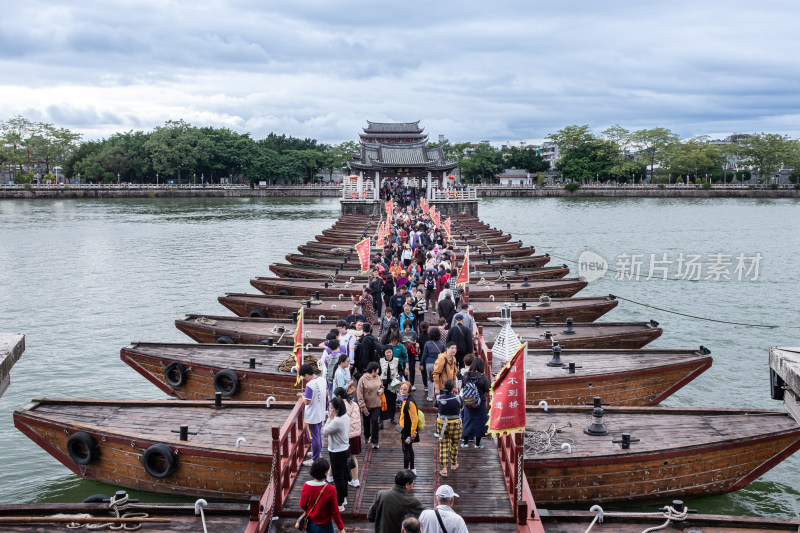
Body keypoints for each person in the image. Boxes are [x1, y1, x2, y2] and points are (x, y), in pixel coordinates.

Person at [299, 458, 345, 533]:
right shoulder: (330, 489)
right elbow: (335, 511)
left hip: (310, 522)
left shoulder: (306, 486)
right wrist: (341, 527)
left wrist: (311, 512)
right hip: (326, 526)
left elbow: (302, 504)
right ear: (325, 473)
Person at [322, 397, 351, 512]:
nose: (330, 409)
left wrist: (329, 419)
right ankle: (343, 497)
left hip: (337, 452)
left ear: (337, 409)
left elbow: (324, 432)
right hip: (345, 449)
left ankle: (339, 504)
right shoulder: (345, 417)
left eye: (332, 408)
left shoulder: (337, 421)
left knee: (338, 477)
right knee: (343, 475)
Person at [299, 364, 328, 465]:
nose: (304, 379)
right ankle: (317, 453)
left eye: (303, 377)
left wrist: (302, 396)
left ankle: (315, 458)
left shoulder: (309, 385)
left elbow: (307, 402)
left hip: (312, 416)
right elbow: (326, 393)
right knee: (318, 435)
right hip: (320, 413)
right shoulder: (322, 380)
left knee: (313, 437)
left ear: (306, 375)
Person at [333, 387, 362, 488]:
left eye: (335, 396)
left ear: (339, 396)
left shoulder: (341, 405)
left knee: (336, 456)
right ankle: (355, 480)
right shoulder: (354, 403)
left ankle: (331, 476)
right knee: (353, 457)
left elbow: (338, 421)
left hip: (346, 434)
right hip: (356, 433)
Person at [460, 357, 490, 449]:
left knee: (467, 420)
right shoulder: (482, 376)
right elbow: (488, 389)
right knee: (479, 422)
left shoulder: (466, 375)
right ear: (481, 366)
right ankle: (477, 444)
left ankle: (465, 443)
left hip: (468, 401)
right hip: (480, 402)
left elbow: (462, 386)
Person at [436, 379, 463, 478]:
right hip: (455, 424)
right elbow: (461, 407)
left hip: (442, 424)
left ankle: (444, 469)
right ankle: (453, 464)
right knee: (454, 444)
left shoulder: (439, 397)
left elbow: (436, 406)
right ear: (453, 388)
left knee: (443, 445)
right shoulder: (458, 398)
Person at [357, 361, 383, 449]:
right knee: (366, 421)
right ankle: (367, 436)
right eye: (377, 370)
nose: (378, 372)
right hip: (366, 405)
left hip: (377, 404)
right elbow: (359, 392)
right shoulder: (363, 379)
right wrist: (362, 405)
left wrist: (381, 390)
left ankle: (375, 441)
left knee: (375, 421)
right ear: (373, 370)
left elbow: (382, 386)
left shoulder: (378, 377)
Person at [397, 381, 420, 473]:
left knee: (405, 450)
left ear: (409, 391)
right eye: (401, 389)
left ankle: (405, 472)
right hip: (405, 428)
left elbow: (414, 418)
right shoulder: (405, 400)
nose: (402, 391)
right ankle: (412, 469)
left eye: (405, 389)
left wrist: (413, 432)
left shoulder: (409, 402)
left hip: (408, 430)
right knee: (409, 448)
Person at [422, 327, 446, 402]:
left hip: (429, 363)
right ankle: (439, 396)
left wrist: (421, 363)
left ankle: (430, 396)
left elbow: (424, 354)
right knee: (439, 379)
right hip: (439, 363)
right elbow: (444, 354)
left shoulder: (427, 343)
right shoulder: (442, 344)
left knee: (430, 380)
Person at [380, 345, 402, 426]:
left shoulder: (396, 360)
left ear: (392, 352)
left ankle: (392, 417)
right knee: (383, 401)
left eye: (390, 352)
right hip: (383, 384)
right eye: (387, 352)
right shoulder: (381, 361)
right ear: (384, 353)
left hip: (393, 384)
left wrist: (399, 375)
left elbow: (400, 371)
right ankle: (381, 419)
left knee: (392, 401)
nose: (388, 354)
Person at [399, 320, 418, 390]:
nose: (407, 328)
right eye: (406, 327)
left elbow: (416, 342)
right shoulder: (401, 333)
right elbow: (399, 342)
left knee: (412, 368)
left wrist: (411, 342)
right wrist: (403, 342)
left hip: (411, 352)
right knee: (404, 367)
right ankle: (406, 382)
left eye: (409, 327)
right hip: (404, 352)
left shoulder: (414, 333)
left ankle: (412, 384)